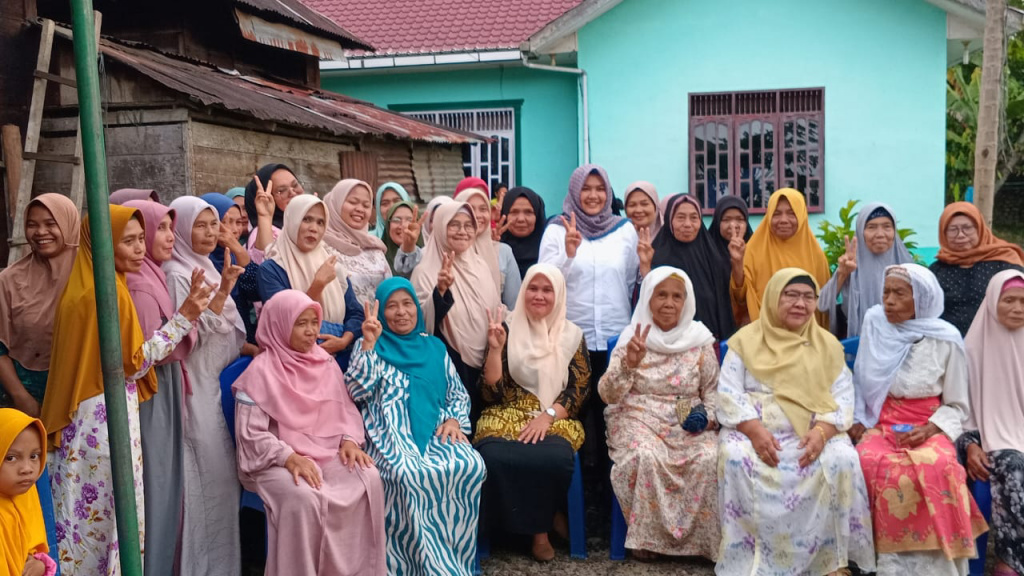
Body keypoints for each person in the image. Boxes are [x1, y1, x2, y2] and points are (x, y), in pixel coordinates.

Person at [41, 205, 209, 576]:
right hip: (102, 421)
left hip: (87, 417)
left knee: (86, 521)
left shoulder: (87, 286)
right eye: (127, 241)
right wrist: (184, 318)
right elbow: (133, 363)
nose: (139, 249)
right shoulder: (105, 294)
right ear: (103, 246)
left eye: (139, 240)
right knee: (108, 518)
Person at [716, 268, 875, 575]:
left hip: (812, 431)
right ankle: (752, 560)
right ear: (774, 297)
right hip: (755, 430)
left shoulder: (827, 345)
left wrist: (823, 432)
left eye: (808, 297)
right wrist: (754, 430)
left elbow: (843, 396)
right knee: (734, 456)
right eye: (790, 295)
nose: (800, 304)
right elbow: (728, 393)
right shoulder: (745, 342)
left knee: (842, 458)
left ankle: (831, 561)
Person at [233, 289, 386, 576]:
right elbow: (251, 436)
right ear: (279, 325)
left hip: (326, 452)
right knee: (305, 498)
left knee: (368, 477)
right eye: (300, 323)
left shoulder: (324, 362)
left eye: (314, 322)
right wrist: (289, 457)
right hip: (274, 461)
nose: (311, 331)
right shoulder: (259, 373)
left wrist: (349, 440)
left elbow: (345, 409)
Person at [850, 263, 987, 575]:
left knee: (940, 465)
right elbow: (861, 380)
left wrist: (930, 429)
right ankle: (877, 562)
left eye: (900, 294)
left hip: (929, 424)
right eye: (886, 292)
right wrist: (859, 418)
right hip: (880, 421)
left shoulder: (946, 338)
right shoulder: (875, 323)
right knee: (866, 461)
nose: (889, 301)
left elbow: (957, 403)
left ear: (922, 299)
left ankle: (931, 565)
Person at [346, 278, 487, 575]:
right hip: (388, 431)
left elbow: (456, 393)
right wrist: (369, 343)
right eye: (392, 306)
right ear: (381, 312)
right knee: (408, 474)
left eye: (407, 304)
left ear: (417, 308)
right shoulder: (368, 344)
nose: (401, 312)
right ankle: (408, 565)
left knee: (470, 464)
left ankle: (452, 561)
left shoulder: (434, 347)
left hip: (436, 428)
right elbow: (356, 392)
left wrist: (454, 419)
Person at [600, 267, 721, 561]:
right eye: (661, 295)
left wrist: (707, 418)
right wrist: (629, 364)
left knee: (709, 456)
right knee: (644, 455)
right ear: (647, 299)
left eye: (677, 296)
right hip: (637, 416)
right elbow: (608, 394)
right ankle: (646, 540)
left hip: (687, 419)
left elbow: (713, 391)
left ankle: (701, 543)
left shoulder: (700, 339)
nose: (669, 303)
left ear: (686, 301)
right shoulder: (633, 337)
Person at [538, 163, 638, 507]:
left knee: (613, 418)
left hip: (614, 339)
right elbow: (545, 280)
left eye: (600, 189)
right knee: (575, 416)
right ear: (574, 191)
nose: (593, 195)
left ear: (608, 193)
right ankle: (580, 502)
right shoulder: (557, 228)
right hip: (571, 339)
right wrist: (568, 254)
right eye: (586, 188)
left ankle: (613, 498)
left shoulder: (624, 230)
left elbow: (629, 281)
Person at [475, 264, 590, 562]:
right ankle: (540, 525)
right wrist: (494, 349)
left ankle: (540, 531)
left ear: (558, 295)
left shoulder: (572, 335)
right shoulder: (505, 327)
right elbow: (490, 394)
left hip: (555, 414)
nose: (539, 295)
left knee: (551, 456)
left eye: (547, 290)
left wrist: (547, 415)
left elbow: (578, 389)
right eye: (533, 288)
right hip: (505, 411)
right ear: (523, 291)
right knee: (493, 456)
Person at [163, 196, 246, 576]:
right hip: (193, 387)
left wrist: (224, 284)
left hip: (214, 385)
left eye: (214, 224)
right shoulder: (177, 274)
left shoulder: (205, 266)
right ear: (182, 229)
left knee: (222, 483)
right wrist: (223, 291)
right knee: (204, 481)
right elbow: (189, 338)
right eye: (200, 225)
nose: (211, 232)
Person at [122, 199, 198, 576]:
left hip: (162, 387)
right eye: (161, 228)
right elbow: (144, 356)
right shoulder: (139, 286)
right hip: (151, 393)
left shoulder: (152, 276)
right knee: (157, 486)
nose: (168, 236)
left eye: (170, 227)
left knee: (164, 486)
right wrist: (188, 316)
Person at [958, 270, 1024, 576]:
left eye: (1023, 301)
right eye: (1008, 300)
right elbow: (958, 409)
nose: (1018, 308)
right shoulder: (971, 350)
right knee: (1014, 465)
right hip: (991, 440)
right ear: (992, 302)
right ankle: (1010, 560)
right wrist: (970, 445)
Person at [410, 201, 501, 422]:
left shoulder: (481, 266)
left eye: (468, 225)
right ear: (441, 227)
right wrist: (440, 291)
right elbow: (418, 323)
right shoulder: (425, 271)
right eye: (454, 225)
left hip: (486, 357)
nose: (462, 231)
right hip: (449, 363)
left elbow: (495, 307)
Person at [257, 194, 364, 369]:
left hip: (338, 359)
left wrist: (344, 340)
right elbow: (284, 321)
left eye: (320, 222)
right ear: (292, 220)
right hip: (292, 363)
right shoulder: (271, 269)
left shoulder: (332, 265)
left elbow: (356, 313)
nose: (314, 228)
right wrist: (318, 285)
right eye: (306, 219)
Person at [0, 194, 80, 414]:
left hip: (81, 398)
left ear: (68, 223)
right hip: (26, 397)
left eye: (51, 224)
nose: (40, 232)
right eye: (32, 225)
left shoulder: (91, 275)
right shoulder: (9, 280)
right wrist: (21, 398)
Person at [818, 203, 914, 338]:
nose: (880, 234)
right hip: (859, 344)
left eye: (887, 226)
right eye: (871, 227)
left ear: (894, 231)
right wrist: (842, 274)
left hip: (902, 343)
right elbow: (822, 305)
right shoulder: (851, 266)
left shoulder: (908, 268)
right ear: (860, 232)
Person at [650, 194, 738, 341]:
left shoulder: (713, 257)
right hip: (667, 341)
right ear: (669, 220)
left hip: (709, 340)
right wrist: (645, 266)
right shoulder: (657, 256)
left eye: (694, 218)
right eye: (680, 217)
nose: (687, 224)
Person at [930, 202, 1024, 336]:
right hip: (950, 343)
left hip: (997, 340)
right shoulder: (937, 269)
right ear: (943, 233)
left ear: (979, 229)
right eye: (953, 229)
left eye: (967, 228)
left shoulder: (1004, 262)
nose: (960, 235)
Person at [740, 188, 831, 327]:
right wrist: (737, 264)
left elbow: (823, 304)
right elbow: (741, 299)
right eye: (776, 214)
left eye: (791, 213)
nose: (783, 220)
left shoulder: (815, 255)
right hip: (763, 332)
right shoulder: (753, 251)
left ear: (801, 215)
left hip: (805, 334)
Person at [201, 192, 261, 350]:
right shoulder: (200, 262)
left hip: (242, 341)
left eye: (238, 222)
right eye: (224, 222)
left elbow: (256, 292)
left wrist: (238, 251)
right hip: (214, 346)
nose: (234, 230)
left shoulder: (232, 256)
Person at [1, 409, 56, 576]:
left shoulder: (26, 495)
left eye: (34, 456)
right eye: (10, 458)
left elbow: (33, 552)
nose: (27, 469)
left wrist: (40, 565)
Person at [454, 177, 521, 309]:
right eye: (470, 208)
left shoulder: (503, 252)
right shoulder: (445, 252)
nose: (477, 215)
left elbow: (514, 307)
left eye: (483, 208)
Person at [323, 179, 392, 304]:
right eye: (353, 202)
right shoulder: (322, 246)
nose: (360, 209)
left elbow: (389, 291)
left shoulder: (374, 247)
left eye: (366, 205)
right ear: (335, 204)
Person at [244, 163, 304, 262]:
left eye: (295, 185)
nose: (292, 192)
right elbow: (266, 262)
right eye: (281, 191)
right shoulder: (264, 232)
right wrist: (265, 217)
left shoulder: (312, 224)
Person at [709, 195, 753, 328]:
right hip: (715, 323)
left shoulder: (756, 250)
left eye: (740, 219)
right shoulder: (706, 251)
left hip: (748, 324)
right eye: (726, 219)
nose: (733, 225)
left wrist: (738, 262)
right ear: (717, 222)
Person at [499, 186, 547, 279]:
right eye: (514, 212)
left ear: (537, 216)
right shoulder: (495, 251)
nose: (521, 219)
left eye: (528, 212)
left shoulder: (549, 253)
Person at [382, 200, 425, 279]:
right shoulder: (377, 258)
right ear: (388, 225)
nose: (403, 225)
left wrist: (409, 249)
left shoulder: (427, 258)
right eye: (396, 220)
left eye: (409, 220)